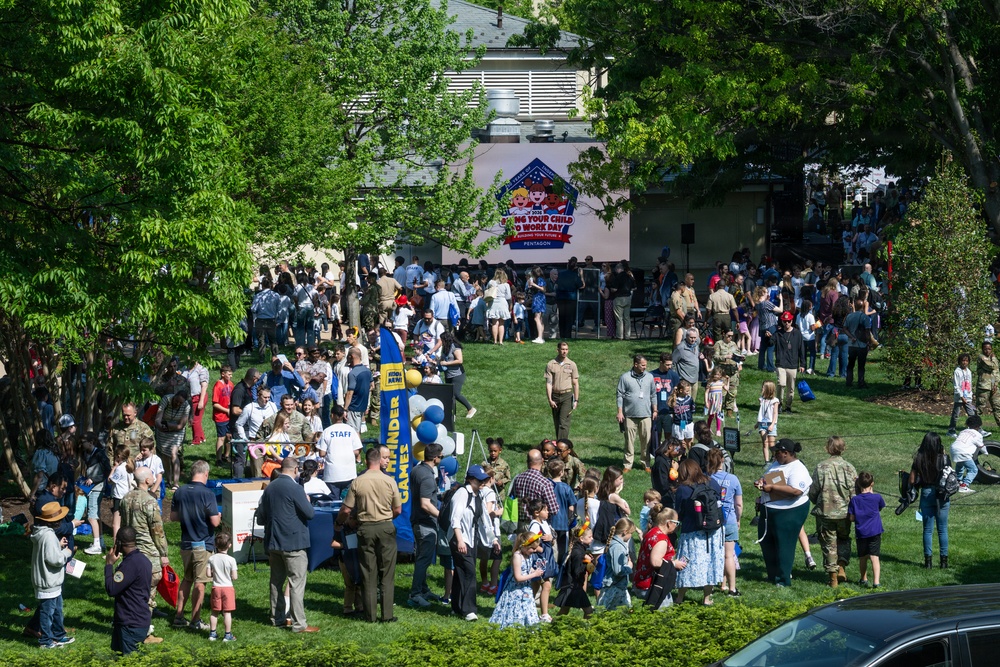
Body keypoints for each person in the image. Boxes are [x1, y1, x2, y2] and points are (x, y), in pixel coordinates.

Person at [336, 446, 402, 623]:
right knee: (387, 573)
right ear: (380, 460)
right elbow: (398, 509)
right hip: (386, 526)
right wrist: (388, 517)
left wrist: (341, 522)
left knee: (368, 572)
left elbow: (346, 508)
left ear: (366, 461)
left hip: (365, 528)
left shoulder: (357, 481)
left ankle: (370, 615)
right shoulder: (390, 481)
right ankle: (387, 615)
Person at [258, 456, 318, 632]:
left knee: (276, 581)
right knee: (297, 583)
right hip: (294, 543)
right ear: (295, 469)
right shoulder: (296, 488)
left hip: (273, 542)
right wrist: (306, 501)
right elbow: (310, 514)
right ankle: (299, 623)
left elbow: (261, 518)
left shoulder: (269, 489)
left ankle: (277, 618)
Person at [170, 460, 221, 631]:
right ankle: (195, 620)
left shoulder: (180, 491)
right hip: (203, 543)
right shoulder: (207, 494)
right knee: (200, 582)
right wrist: (218, 515)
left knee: (187, 579)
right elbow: (214, 521)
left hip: (185, 543)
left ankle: (179, 615)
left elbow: (173, 517)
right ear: (205, 473)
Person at [755, 439, 813, 587]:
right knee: (767, 543)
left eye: (777, 452)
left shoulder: (798, 469)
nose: (774, 455)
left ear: (786, 453)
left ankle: (783, 579)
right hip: (769, 509)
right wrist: (761, 482)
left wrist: (772, 488)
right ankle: (772, 575)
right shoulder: (777, 464)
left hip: (789, 511)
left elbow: (796, 491)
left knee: (784, 546)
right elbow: (769, 477)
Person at [120, 467, 169, 639]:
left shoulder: (125, 498)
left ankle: (128, 624)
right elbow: (157, 531)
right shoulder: (149, 501)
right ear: (147, 481)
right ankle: (144, 632)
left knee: (132, 593)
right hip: (148, 554)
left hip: (130, 552)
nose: (155, 478)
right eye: (152, 476)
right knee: (147, 594)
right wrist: (163, 552)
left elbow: (124, 526)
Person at [449, 465, 499, 621]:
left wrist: (494, 539)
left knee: (460, 572)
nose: (483, 482)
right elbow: (454, 520)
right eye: (480, 480)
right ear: (470, 479)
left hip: (471, 541)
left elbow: (485, 520)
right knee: (469, 573)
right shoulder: (462, 494)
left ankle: (456, 608)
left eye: (484, 479)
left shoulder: (478, 495)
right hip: (459, 540)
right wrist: (460, 541)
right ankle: (469, 610)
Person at [808, 436, 857, 588]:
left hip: (826, 513)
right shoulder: (850, 467)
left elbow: (813, 490)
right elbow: (854, 491)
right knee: (844, 539)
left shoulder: (821, 467)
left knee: (829, 544)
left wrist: (815, 500)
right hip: (845, 513)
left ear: (828, 448)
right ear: (844, 448)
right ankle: (841, 565)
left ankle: (833, 578)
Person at [673, 460, 724, 606]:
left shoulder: (683, 489)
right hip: (714, 531)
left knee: (685, 563)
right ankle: (707, 598)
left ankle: (680, 597)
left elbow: (679, 512)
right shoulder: (712, 482)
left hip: (692, 532)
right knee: (711, 563)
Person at [31, 502, 75, 649]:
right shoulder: (48, 536)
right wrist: (67, 552)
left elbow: (48, 551)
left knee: (56, 610)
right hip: (48, 581)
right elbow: (54, 559)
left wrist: (57, 545)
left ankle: (58, 635)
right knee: (47, 612)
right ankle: (45, 641)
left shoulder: (43, 533)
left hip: (50, 581)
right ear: (55, 521)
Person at [104, 526, 153, 656]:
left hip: (130, 624)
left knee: (131, 662)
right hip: (136, 620)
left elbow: (112, 589)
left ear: (119, 543)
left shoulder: (130, 565)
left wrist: (109, 565)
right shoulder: (144, 560)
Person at [408, 442, 443, 608]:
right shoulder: (428, 477)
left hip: (416, 520)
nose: (441, 459)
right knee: (423, 560)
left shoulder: (416, 469)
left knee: (422, 557)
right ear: (435, 458)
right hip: (425, 523)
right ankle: (415, 594)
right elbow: (425, 504)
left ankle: (423, 588)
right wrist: (442, 516)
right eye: (441, 457)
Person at [910, 432, 951, 569]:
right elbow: (950, 476)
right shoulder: (944, 458)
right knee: (942, 529)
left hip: (926, 492)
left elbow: (911, 479)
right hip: (942, 494)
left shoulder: (919, 459)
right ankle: (944, 561)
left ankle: (928, 562)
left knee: (927, 530)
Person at [633, 503, 684, 609]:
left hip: (643, 581)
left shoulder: (652, 532)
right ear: (669, 523)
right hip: (654, 586)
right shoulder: (661, 540)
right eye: (676, 523)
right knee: (662, 618)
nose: (677, 526)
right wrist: (674, 564)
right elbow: (655, 562)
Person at [489, 532, 544, 628]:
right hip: (515, 592)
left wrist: (534, 571)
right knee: (515, 611)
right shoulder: (517, 556)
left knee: (528, 610)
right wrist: (534, 575)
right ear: (525, 546)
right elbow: (518, 577)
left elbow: (526, 568)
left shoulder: (528, 555)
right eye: (533, 548)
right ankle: (512, 629)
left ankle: (529, 629)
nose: (535, 551)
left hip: (526, 590)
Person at [708, 448, 742, 597]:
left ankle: (710, 586)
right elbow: (738, 504)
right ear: (722, 460)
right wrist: (738, 519)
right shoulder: (733, 479)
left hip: (712, 520)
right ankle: (731, 588)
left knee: (712, 554)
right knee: (729, 555)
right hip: (729, 520)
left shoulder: (705, 478)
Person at [616, 354, 657, 473]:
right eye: (643, 365)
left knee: (646, 441)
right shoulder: (625, 377)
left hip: (646, 415)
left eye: (646, 365)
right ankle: (628, 464)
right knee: (629, 441)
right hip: (629, 415)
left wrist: (655, 410)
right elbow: (620, 395)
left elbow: (653, 394)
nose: (645, 367)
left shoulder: (649, 377)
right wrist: (620, 412)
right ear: (636, 364)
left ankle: (646, 463)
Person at [316, 405, 363, 499]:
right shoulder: (350, 430)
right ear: (343, 415)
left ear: (332, 415)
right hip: (349, 473)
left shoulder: (327, 431)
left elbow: (321, 453)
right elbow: (358, 450)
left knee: (333, 503)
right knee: (348, 502)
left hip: (332, 474)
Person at [848, 472, 884, 588]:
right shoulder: (877, 497)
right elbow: (880, 507)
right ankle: (876, 582)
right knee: (874, 557)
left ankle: (863, 579)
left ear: (858, 484)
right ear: (872, 483)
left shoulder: (854, 500)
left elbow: (851, 518)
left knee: (862, 557)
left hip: (861, 532)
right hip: (875, 531)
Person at [553, 522, 595, 618]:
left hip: (571, 585)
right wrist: (587, 562)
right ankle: (586, 630)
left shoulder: (580, 550)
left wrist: (589, 563)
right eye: (589, 537)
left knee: (564, 611)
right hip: (573, 587)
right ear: (581, 539)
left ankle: (553, 625)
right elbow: (577, 571)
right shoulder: (578, 553)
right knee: (588, 611)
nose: (592, 539)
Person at [510, 449, 559, 531]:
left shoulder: (518, 478)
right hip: (538, 526)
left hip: (521, 524)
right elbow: (554, 509)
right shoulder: (545, 483)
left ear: (527, 462)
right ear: (542, 461)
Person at [81, 432, 112, 555]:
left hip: (97, 487)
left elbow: (107, 470)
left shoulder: (99, 454)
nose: (82, 445)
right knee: (96, 515)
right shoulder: (87, 453)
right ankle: (100, 542)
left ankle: (97, 545)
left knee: (91, 516)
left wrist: (94, 479)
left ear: (91, 442)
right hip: (91, 487)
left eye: (84, 442)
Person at [154, 388, 191, 492]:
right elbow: (158, 419)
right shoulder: (166, 399)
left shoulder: (186, 406)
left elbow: (180, 426)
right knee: (165, 455)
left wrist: (168, 425)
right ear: (174, 396)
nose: (178, 403)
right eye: (176, 401)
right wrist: (161, 426)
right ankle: (169, 480)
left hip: (176, 432)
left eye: (180, 402)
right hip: (163, 430)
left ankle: (176, 483)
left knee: (173, 453)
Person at [228, 367, 260, 479]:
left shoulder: (248, 389)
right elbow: (235, 410)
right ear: (254, 378)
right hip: (239, 428)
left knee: (251, 455)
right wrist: (251, 413)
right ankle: (236, 482)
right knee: (240, 458)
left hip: (248, 428)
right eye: (258, 379)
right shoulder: (239, 390)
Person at [598, 518, 636, 611]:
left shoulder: (616, 544)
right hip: (614, 587)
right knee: (610, 613)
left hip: (619, 586)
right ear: (625, 532)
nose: (631, 536)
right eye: (631, 533)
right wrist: (629, 567)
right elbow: (618, 570)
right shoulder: (617, 547)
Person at [207, 532, 238, 641]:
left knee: (214, 612)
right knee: (227, 612)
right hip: (228, 588)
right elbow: (234, 576)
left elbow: (208, 574)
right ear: (229, 545)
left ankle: (212, 634)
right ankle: (227, 634)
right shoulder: (231, 560)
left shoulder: (211, 559)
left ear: (215, 545)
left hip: (216, 587)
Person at [545, 342, 580, 441]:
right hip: (555, 396)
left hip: (567, 396)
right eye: (563, 349)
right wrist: (550, 399)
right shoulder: (551, 364)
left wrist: (576, 400)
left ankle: (562, 446)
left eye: (566, 349)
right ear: (558, 350)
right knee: (557, 422)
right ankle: (561, 444)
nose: (565, 351)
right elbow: (548, 383)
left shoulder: (572, 364)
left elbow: (575, 383)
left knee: (563, 422)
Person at [774, 310, 806, 412]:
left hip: (792, 364)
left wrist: (803, 364)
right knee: (781, 384)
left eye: (788, 321)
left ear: (792, 321)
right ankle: (778, 404)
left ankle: (788, 407)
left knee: (791, 388)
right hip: (781, 364)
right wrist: (768, 336)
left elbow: (802, 349)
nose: (786, 323)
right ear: (782, 322)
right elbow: (770, 343)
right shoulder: (778, 333)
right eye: (784, 321)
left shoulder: (797, 334)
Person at [439, 332, 476, 419]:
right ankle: (452, 414)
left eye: (442, 340)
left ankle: (470, 408)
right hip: (448, 374)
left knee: (456, 393)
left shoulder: (455, 346)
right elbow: (443, 359)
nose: (441, 342)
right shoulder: (445, 348)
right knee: (450, 395)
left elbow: (460, 360)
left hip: (457, 374)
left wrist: (446, 363)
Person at [951, 415, 986, 493]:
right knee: (973, 470)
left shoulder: (962, 431)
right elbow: (981, 446)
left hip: (954, 449)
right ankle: (964, 485)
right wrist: (986, 452)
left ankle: (957, 482)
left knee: (960, 466)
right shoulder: (978, 435)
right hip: (964, 452)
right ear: (978, 426)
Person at [843, 297, 872, 388]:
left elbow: (844, 328)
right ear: (863, 307)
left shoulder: (849, 316)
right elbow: (867, 331)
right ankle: (861, 382)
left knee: (850, 364)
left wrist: (851, 337)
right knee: (861, 365)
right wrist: (869, 342)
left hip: (851, 344)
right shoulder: (865, 317)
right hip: (861, 344)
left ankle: (849, 381)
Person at [343, 348, 372, 434]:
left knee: (354, 433)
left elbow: (349, 393)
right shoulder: (367, 371)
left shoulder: (353, 373)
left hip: (354, 407)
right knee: (357, 430)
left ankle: (358, 448)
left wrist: (345, 409)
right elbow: (372, 386)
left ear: (351, 356)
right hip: (363, 406)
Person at [211, 366, 234, 466]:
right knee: (221, 437)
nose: (231, 376)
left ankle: (226, 455)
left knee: (229, 437)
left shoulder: (231, 384)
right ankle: (218, 459)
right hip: (220, 416)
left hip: (230, 416)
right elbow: (215, 403)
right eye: (229, 374)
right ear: (222, 374)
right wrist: (226, 410)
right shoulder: (218, 386)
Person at [976, 341, 1000, 431]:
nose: (987, 350)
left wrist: (995, 384)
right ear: (982, 349)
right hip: (984, 387)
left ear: (991, 349)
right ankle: (974, 427)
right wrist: (993, 359)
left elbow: (996, 372)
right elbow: (991, 366)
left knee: (998, 406)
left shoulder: (993, 358)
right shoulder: (981, 357)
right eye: (985, 349)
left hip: (994, 387)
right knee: (980, 408)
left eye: (989, 349)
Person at [184, 361, 210, 445]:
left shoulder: (201, 369)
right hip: (189, 397)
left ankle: (196, 440)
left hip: (198, 396)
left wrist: (201, 401)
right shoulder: (185, 368)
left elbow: (204, 385)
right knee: (195, 419)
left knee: (195, 420)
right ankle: (202, 437)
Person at [950, 353, 976, 436]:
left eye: (966, 361)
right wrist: (961, 396)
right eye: (963, 360)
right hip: (959, 397)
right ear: (959, 361)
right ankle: (951, 430)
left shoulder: (969, 372)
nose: (964, 362)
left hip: (967, 396)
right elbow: (956, 386)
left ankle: (975, 429)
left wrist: (970, 395)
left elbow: (970, 384)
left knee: (971, 413)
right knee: (956, 414)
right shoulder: (957, 372)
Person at [485, 268, 512, 345]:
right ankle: (500, 341)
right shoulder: (506, 284)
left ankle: (495, 341)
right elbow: (508, 296)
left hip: (493, 302)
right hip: (502, 302)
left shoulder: (491, 282)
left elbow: (486, 290)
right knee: (501, 323)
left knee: (494, 323)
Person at [757, 381, 779, 462]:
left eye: (763, 387)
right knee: (765, 443)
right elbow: (761, 412)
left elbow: (775, 413)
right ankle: (766, 462)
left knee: (771, 444)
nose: (762, 389)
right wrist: (757, 423)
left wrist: (772, 424)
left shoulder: (775, 401)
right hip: (762, 424)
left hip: (771, 424)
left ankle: (774, 456)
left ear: (768, 390)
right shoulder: (761, 400)